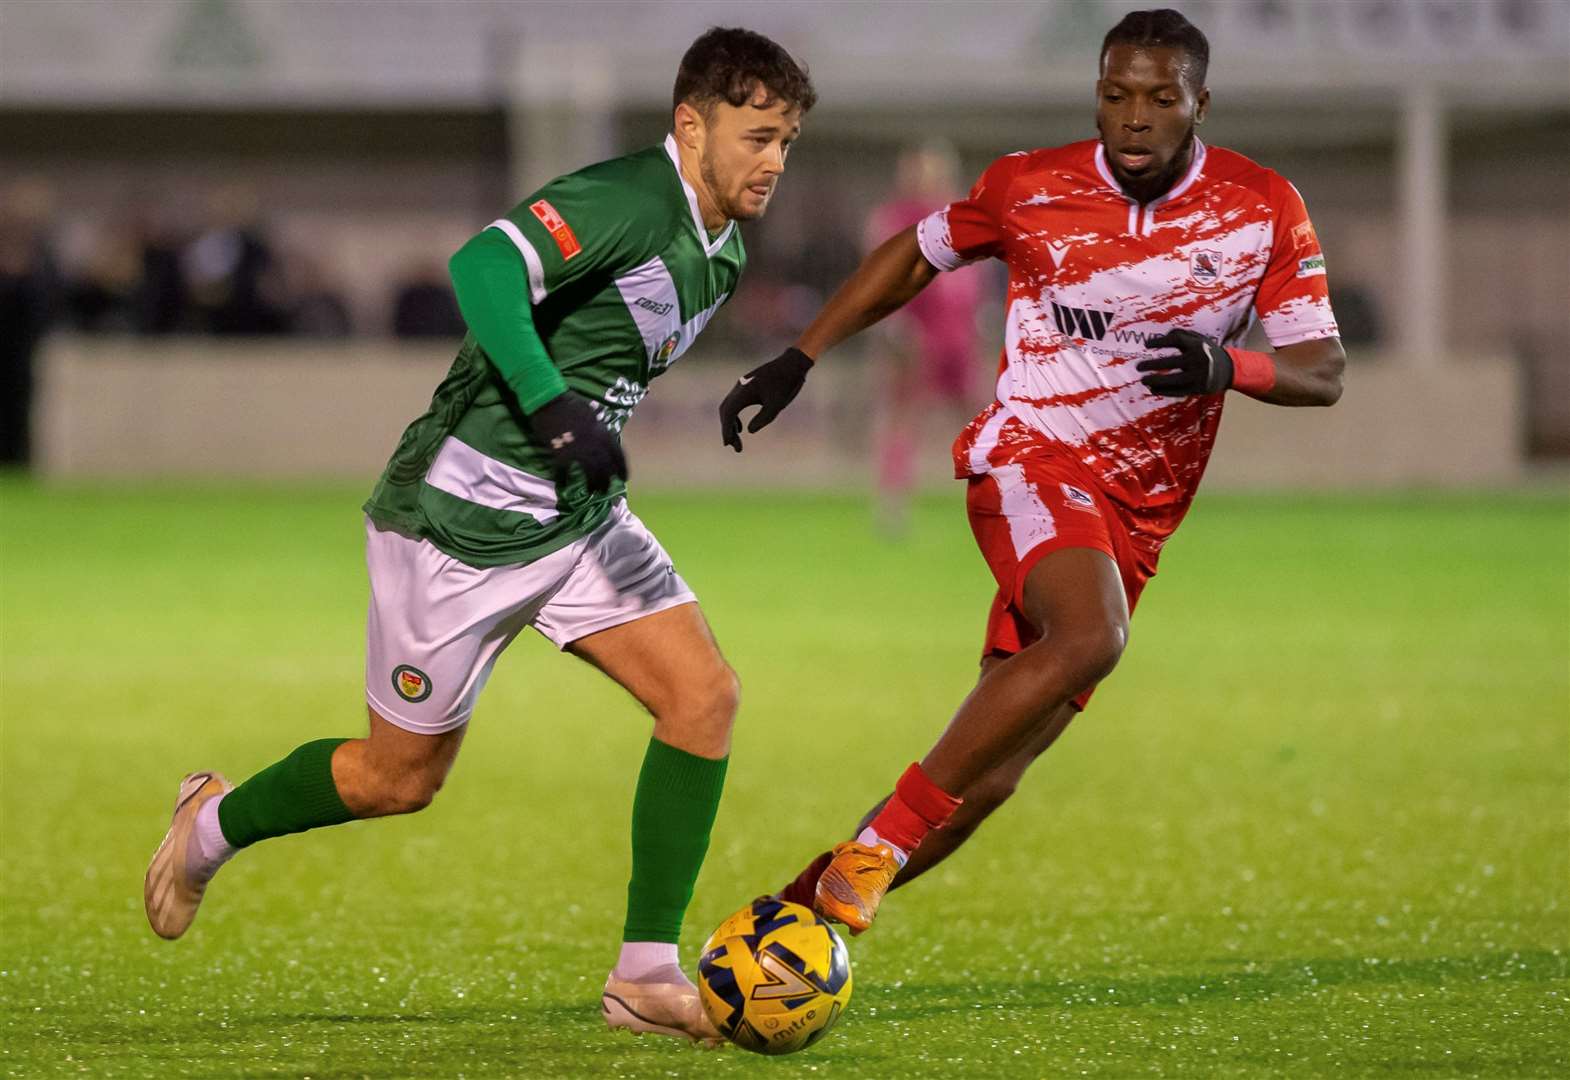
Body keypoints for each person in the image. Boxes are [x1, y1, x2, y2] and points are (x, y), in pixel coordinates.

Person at [144, 27, 816, 1046]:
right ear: (691, 123)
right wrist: (550, 404)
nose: (773, 159)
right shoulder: (630, 199)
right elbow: (483, 265)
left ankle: (643, 973)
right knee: (396, 780)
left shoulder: (722, 252)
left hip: (579, 518)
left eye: (788, 141)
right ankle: (210, 824)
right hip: (457, 520)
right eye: (757, 135)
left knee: (702, 696)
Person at [719, 8, 1344, 934]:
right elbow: (915, 255)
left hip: (1140, 515)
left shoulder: (1261, 206)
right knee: (1093, 635)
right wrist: (800, 356)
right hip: (1030, 460)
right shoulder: (1028, 184)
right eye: (1115, 94)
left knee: (991, 775)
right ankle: (876, 851)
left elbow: (1321, 369)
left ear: (1198, 104)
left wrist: (1229, 366)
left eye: (1159, 98)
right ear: (1096, 92)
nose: (1133, 116)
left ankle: (786, 928)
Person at [864, 142, 986, 535]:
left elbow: (975, 275)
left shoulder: (959, 215)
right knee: (903, 418)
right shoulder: (895, 220)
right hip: (919, 337)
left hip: (960, 335)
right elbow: (883, 277)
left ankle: (997, 499)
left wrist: (980, 319)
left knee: (980, 420)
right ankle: (892, 504)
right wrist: (897, 327)